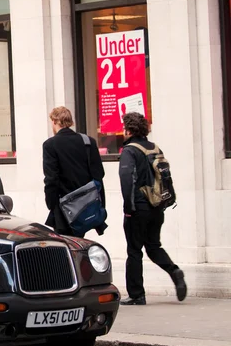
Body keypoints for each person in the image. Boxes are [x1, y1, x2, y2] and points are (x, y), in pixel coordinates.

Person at [118, 112, 187, 305]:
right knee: (153, 246)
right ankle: (174, 271)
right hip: (157, 207)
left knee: (134, 251)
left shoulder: (130, 151)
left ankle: (136, 295)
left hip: (138, 208)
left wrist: (128, 208)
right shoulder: (154, 148)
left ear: (129, 130)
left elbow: (127, 181)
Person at [42, 106, 107, 237]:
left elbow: (51, 179)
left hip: (64, 207)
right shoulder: (88, 142)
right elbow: (99, 173)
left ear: (54, 122)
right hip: (87, 204)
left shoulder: (50, 144)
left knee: (65, 245)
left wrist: (51, 204)